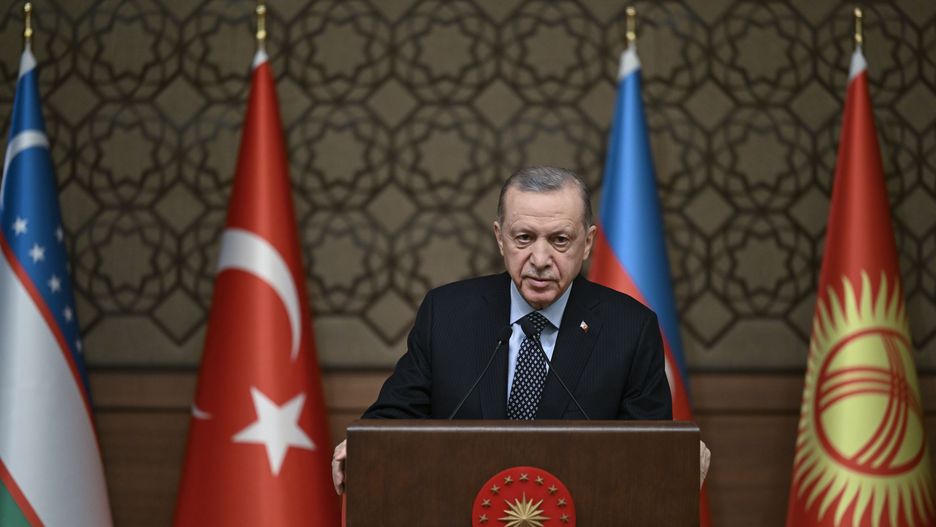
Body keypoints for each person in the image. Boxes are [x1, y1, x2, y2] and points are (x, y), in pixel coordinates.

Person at [332, 166, 710, 492]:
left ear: (588, 243)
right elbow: (394, 417)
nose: (541, 260)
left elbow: (648, 451)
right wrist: (364, 445)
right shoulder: (447, 314)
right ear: (500, 237)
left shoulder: (630, 327)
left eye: (560, 240)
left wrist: (673, 455)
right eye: (524, 238)